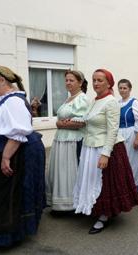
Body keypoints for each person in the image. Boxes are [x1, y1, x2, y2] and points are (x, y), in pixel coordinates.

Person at [0, 66, 45, 253]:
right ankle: (2, 234)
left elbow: (18, 132)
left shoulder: (13, 101)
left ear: (2, 81)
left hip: (8, 152)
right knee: (0, 195)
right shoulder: (5, 100)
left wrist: (6, 157)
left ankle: (0, 238)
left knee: (3, 197)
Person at [72, 68, 138, 234]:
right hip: (90, 146)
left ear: (109, 83)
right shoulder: (94, 100)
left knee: (105, 183)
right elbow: (89, 119)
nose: (96, 83)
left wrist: (105, 154)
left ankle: (104, 214)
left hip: (106, 147)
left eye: (100, 80)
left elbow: (112, 130)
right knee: (91, 180)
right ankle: (94, 207)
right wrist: (74, 120)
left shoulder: (111, 102)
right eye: (94, 80)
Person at [46, 70, 89, 214]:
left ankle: (71, 204)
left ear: (80, 83)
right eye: (66, 80)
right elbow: (62, 120)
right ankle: (59, 203)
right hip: (61, 141)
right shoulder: (68, 99)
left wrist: (61, 124)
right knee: (60, 171)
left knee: (69, 172)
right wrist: (62, 123)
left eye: (71, 80)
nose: (68, 83)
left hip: (72, 141)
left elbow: (82, 122)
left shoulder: (82, 99)